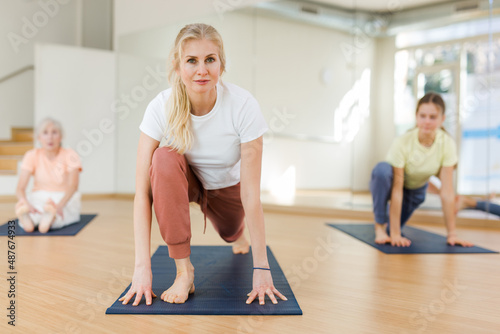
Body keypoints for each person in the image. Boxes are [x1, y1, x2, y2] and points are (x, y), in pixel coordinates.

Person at [119, 23, 287, 307]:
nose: (202, 70)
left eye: (210, 59)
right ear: (177, 65)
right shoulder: (160, 107)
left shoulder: (243, 106)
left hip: (226, 189)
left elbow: (250, 194)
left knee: (230, 231)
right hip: (185, 181)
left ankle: (237, 236)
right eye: (191, 61)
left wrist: (261, 267)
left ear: (221, 63)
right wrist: (141, 268)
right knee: (163, 158)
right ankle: (185, 272)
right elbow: (143, 193)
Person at [369, 92, 473, 247]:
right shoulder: (403, 142)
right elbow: (397, 189)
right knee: (381, 171)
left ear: (442, 119)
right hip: (395, 184)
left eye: (433, 117)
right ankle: (379, 227)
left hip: (416, 191)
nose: (427, 121)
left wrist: (452, 234)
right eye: (422, 116)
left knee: (392, 230)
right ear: (416, 116)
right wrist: (396, 235)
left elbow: (447, 191)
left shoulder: (447, 144)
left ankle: (390, 229)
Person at [15, 117, 82, 233]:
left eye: (54, 132)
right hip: (40, 196)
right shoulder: (31, 155)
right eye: (45, 133)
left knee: (60, 212)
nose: (50, 137)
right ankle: (33, 219)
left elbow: (73, 186)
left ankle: (48, 218)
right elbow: (20, 188)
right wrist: (25, 202)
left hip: (64, 197)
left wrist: (60, 205)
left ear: (60, 137)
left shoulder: (70, 155)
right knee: (35, 209)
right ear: (39, 137)